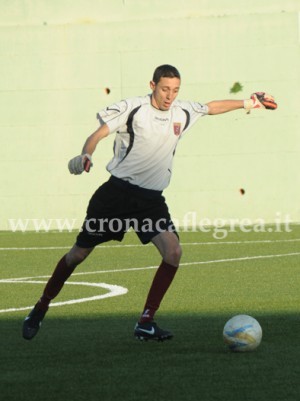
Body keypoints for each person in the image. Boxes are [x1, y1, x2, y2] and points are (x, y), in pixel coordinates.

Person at [22, 64, 277, 341]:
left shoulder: (181, 112)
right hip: (116, 196)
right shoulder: (134, 108)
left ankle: (146, 321)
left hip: (150, 202)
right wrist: (86, 155)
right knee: (78, 255)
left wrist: (248, 102)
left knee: (173, 252)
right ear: (153, 85)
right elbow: (98, 134)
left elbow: (210, 107)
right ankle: (40, 307)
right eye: (165, 89)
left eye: (176, 90)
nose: (170, 96)